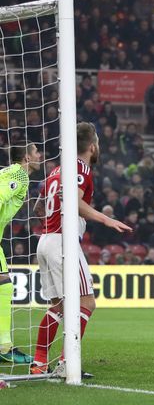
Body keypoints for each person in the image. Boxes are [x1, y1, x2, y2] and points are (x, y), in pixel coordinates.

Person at [32, 122, 132, 376]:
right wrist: (107, 219)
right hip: (63, 243)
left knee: (59, 307)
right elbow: (74, 202)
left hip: (44, 241)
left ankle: (39, 363)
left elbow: (38, 208)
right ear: (91, 145)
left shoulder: (57, 169)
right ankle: (67, 363)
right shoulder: (81, 167)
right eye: (97, 142)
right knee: (86, 302)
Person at [0, 144, 40, 364]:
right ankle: (4, 347)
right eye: (36, 153)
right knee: (4, 284)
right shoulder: (18, 174)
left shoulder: (7, 173)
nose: (40, 156)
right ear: (26, 157)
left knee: (4, 284)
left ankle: (4, 345)